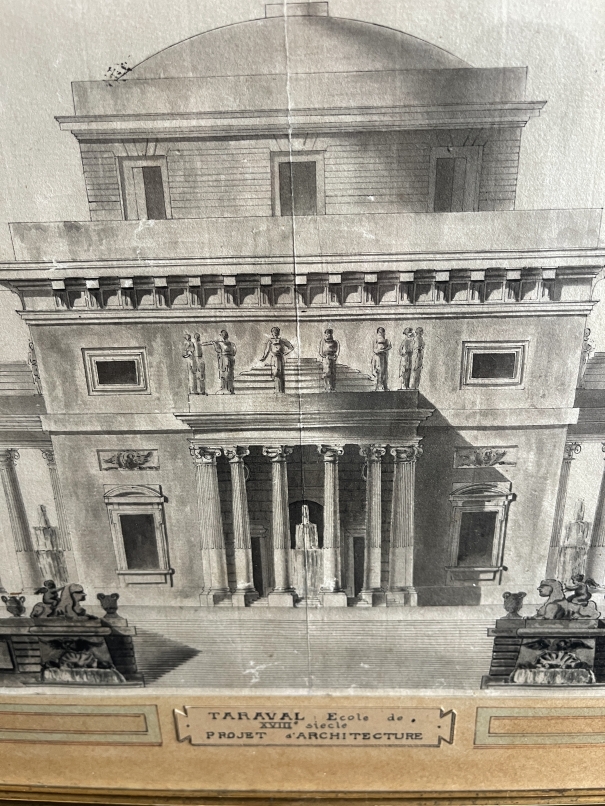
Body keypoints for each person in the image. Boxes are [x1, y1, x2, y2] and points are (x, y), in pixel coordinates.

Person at [260, 327, 294, 393]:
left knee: (281, 374)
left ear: (278, 332)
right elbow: (267, 350)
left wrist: (286, 353)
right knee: (275, 373)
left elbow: (291, 347)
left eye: (276, 331)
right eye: (274, 331)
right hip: (274, 359)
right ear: (272, 333)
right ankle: (277, 390)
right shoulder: (270, 341)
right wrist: (264, 357)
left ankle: (281, 390)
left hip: (280, 358)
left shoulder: (282, 340)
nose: (275, 333)